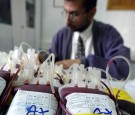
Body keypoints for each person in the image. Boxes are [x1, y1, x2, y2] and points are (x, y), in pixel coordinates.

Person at [49, 0, 130, 79]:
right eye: (66, 12)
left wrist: (85, 63)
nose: (67, 22)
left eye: (74, 14)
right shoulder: (60, 36)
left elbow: (121, 70)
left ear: (92, 13)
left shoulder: (109, 34)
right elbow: (53, 56)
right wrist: (44, 57)